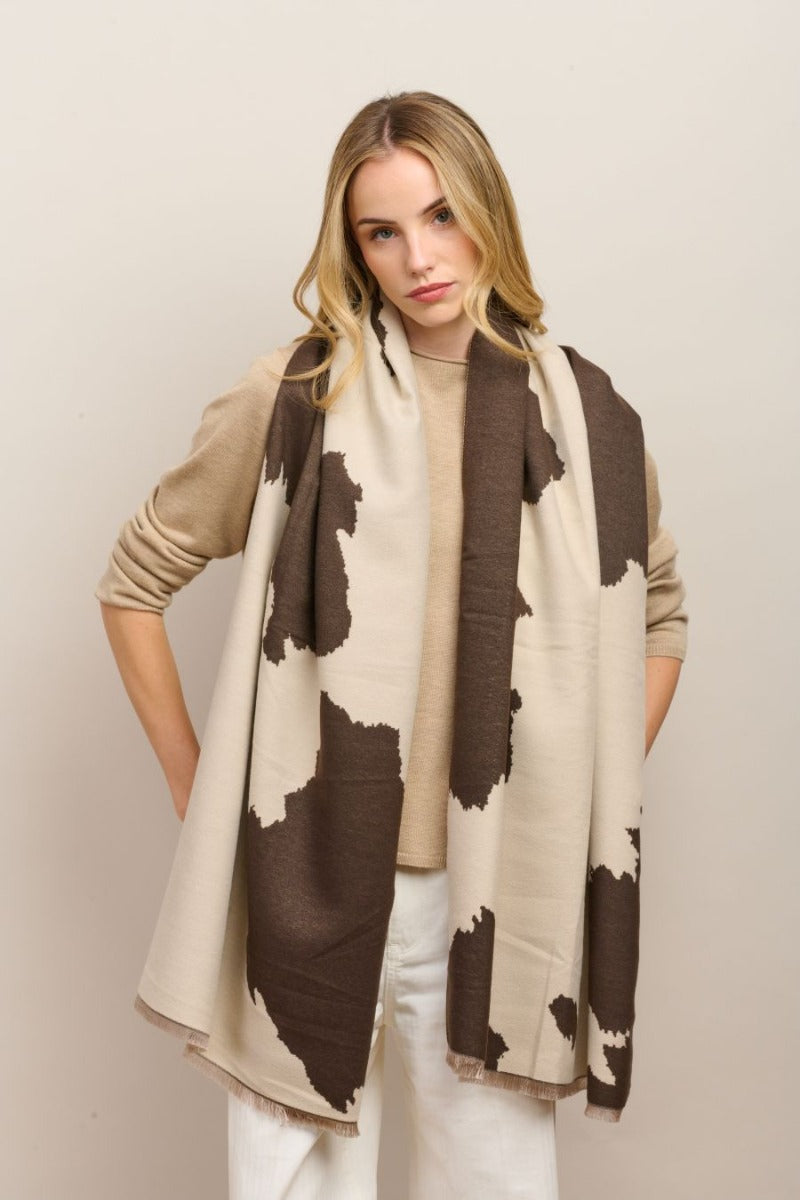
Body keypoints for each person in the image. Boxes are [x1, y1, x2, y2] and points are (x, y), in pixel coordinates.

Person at [97, 90, 687, 1200]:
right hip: (308, 869)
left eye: (442, 216)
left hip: (495, 888)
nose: (419, 258)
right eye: (382, 231)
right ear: (352, 246)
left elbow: (659, 612)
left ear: (489, 212)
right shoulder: (300, 395)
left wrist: (584, 784)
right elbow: (133, 584)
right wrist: (198, 787)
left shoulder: (591, 421)